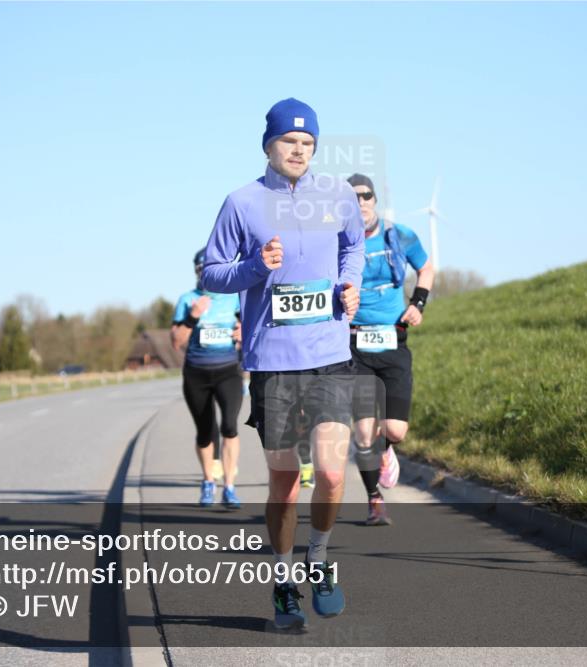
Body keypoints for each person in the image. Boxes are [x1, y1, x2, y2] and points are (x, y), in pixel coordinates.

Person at [201, 98, 364, 630]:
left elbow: (353, 248)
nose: (299, 151)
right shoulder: (241, 203)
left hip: (330, 356)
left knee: (334, 473)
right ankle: (283, 581)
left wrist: (351, 285)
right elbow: (213, 273)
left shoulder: (337, 194)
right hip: (273, 362)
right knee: (285, 485)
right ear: (269, 145)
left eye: (308, 143)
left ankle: (318, 559)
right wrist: (254, 266)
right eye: (289, 142)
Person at [346, 173, 434, 526]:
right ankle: (374, 499)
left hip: (393, 339)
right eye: (352, 198)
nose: (361, 202)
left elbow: (425, 268)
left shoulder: (399, 235)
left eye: (366, 196)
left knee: (394, 431)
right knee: (365, 432)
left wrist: (419, 304)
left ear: (375, 200)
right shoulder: (337, 241)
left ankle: (387, 453)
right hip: (354, 344)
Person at [171, 247, 244, 508]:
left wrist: (243, 331)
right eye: (200, 270)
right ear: (196, 272)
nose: (205, 274)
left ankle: (230, 487)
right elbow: (176, 342)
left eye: (209, 268)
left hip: (228, 372)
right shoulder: (187, 299)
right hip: (196, 374)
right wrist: (192, 317)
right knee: (205, 432)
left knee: (230, 427)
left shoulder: (233, 297)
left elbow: (249, 326)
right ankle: (208, 482)